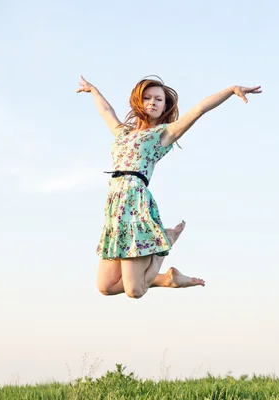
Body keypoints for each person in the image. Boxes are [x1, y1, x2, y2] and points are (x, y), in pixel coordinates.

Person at [77, 75, 262, 299]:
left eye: (158, 99)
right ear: (138, 101)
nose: (152, 102)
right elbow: (106, 112)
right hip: (115, 209)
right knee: (106, 287)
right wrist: (94, 90)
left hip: (134, 204)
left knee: (134, 291)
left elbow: (199, 109)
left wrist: (231, 90)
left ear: (165, 106)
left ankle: (167, 240)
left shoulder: (163, 134)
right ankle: (166, 279)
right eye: (147, 98)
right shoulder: (123, 133)